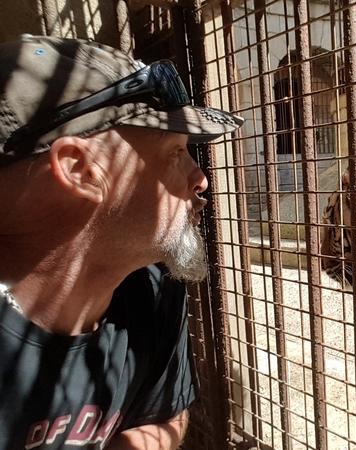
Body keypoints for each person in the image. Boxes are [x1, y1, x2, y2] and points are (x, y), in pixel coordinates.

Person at [0, 35, 243, 449]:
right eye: (174, 152)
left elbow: (162, 413)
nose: (200, 179)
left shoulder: (149, 287)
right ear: (79, 170)